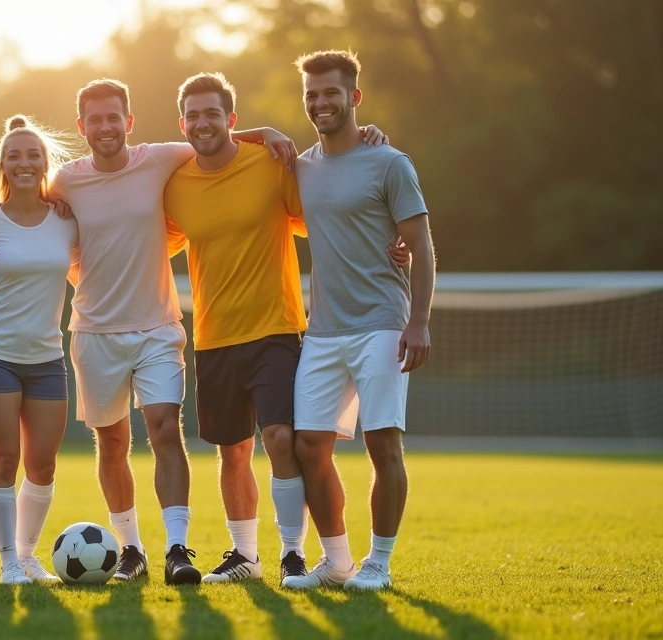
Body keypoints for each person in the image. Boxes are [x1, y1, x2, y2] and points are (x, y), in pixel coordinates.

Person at [50, 78, 349, 585]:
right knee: (202, 448)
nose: (105, 127)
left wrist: (267, 133)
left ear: (130, 121)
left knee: (268, 437)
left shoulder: (187, 161)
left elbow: (314, 214)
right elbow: (36, 204)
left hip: (249, 326)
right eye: (95, 119)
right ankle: (189, 553)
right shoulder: (87, 180)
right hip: (191, 334)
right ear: (82, 126)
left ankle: (276, 553)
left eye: (113, 117)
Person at [164, 72, 404, 585]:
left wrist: (392, 238)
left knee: (280, 438)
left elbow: (330, 213)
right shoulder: (176, 183)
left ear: (231, 119)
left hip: (277, 327)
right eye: (193, 115)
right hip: (213, 334)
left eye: (213, 114)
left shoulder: (271, 163)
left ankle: (292, 553)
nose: (202, 123)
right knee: (232, 451)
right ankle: (245, 557)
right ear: (181, 123)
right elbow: (146, 239)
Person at [284, 50, 435, 592]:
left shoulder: (389, 162)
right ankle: (337, 562)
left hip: (382, 323)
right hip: (323, 329)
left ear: (354, 96)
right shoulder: (300, 167)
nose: (320, 102)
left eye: (331, 92)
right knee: (308, 447)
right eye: (311, 94)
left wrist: (418, 322)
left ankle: (379, 564)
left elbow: (421, 246)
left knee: (383, 445)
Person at [0, 115, 78, 585]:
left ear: (46, 163)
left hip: (47, 359)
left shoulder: (67, 220)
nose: (24, 163)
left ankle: (28, 557)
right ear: (3, 165)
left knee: (43, 465)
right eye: (14, 156)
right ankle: (8, 562)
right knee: (5, 460)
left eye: (33, 155)